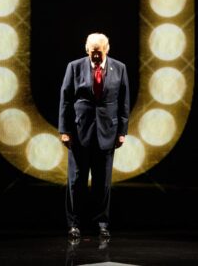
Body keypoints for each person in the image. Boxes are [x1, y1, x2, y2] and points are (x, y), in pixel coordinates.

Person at [58, 32, 130, 241]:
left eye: (99, 53)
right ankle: (74, 224)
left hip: (107, 132)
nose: (96, 57)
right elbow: (65, 100)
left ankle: (102, 223)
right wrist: (64, 130)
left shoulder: (120, 68)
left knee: (103, 182)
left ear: (107, 50)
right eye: (92, 53)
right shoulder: (74, 67)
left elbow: (124, 102)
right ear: (86, 50)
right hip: (80, 133)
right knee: (76, 181)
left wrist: (122, 131)